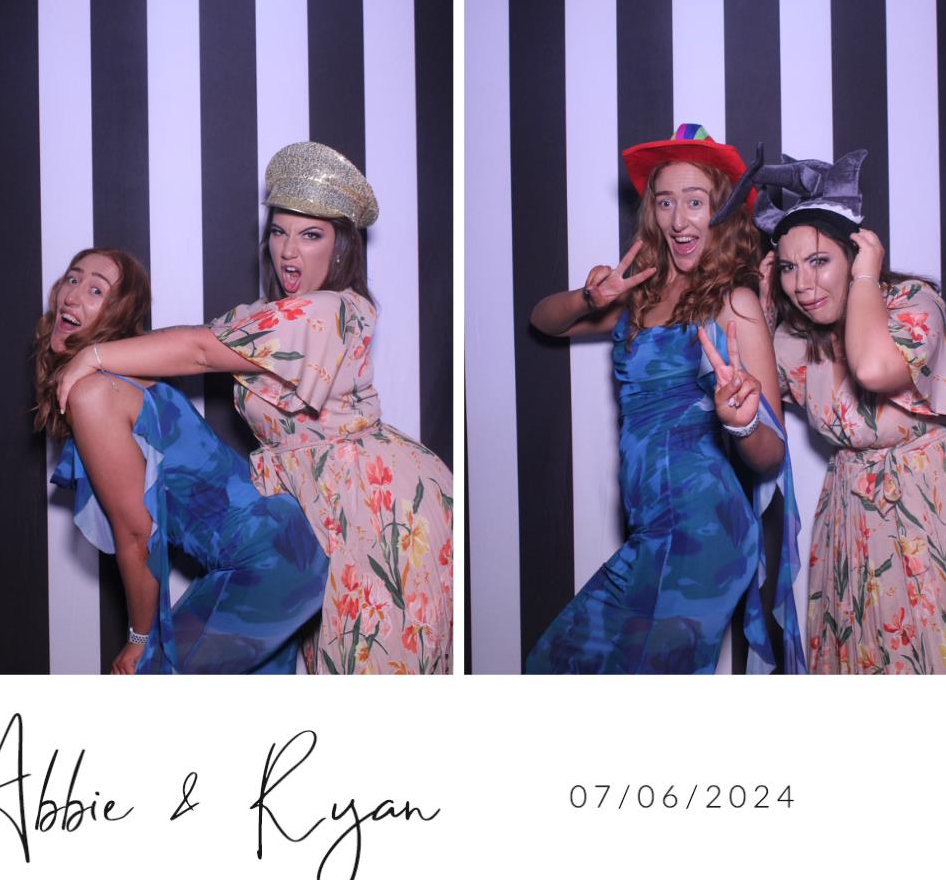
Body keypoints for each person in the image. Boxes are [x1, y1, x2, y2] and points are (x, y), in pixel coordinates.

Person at [57, 142, 452, 674]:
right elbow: (189, 345)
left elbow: (199, 351)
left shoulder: (330, 311)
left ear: (341, 248)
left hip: (374, 506)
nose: (288, 250)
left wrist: (93, 356)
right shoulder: (268, 315)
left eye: (310, 235)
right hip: (311, 512)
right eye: (280, 232)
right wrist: (95, 355)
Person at [524, 124, 803, 674]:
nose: (678, 220)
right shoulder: (639, 295)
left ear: (721, 211)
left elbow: (772, 455)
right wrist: (590, 297)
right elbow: (544, 321)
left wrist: (743, 423)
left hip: (705, 531)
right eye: (666, 201)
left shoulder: (734, 302)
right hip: (651, 529)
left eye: (695, 202)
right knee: (552, 663)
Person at [40, 248, 326, 674]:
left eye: (96, 290)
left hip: (265, 565)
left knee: (154, 678)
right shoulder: (127, 378)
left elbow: (137, 534)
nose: (72, 295)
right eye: (72, 278)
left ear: (119, 313)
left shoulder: (94, 394)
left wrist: (140, 639)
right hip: (287, 549)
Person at [755, 150, 946, 674]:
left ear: (855, 255)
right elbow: (750, 405)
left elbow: (873, 369)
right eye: (788, 267)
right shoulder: (793, 340)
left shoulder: (914, 301)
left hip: (939, 500)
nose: (801, 285)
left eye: (819, 261)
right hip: (854, 514)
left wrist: (866, 278)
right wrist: (761, 310)